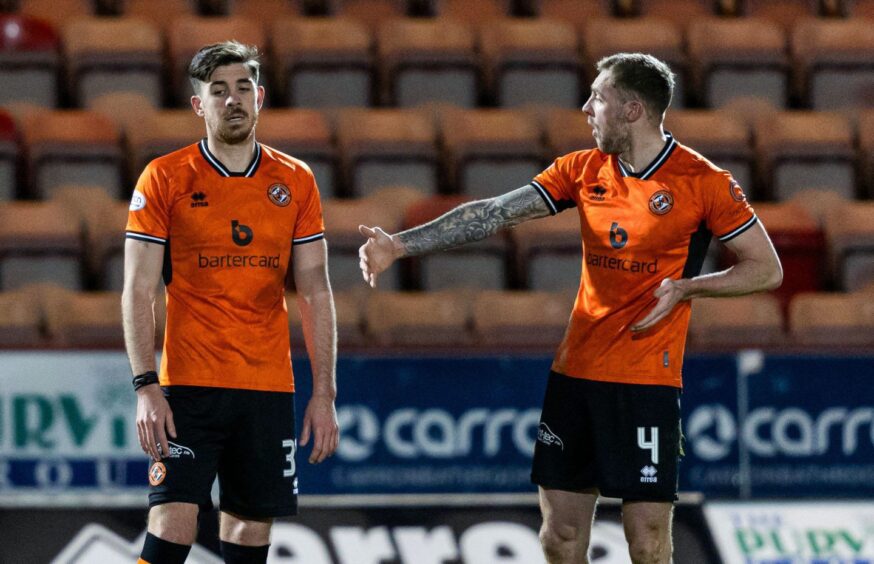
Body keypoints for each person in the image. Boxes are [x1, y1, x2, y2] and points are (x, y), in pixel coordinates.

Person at [358, 52, 782, 564]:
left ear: (631, 110)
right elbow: (493, 214)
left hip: (646, 380)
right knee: (559, 536)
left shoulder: (704, 181)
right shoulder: (582, 170)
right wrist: (399, 246)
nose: (585, 107)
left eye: (598, 98)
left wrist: (690, 288)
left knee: (647, 542)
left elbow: (766, 268)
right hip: (575, 374)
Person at [122, 41, 339, 564]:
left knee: (248, 532)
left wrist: (324, 392)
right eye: (218, 91)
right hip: (188, 386)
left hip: (265, 387)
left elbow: (315, 289)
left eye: (244, 88)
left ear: (260, 97)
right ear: (199, 105)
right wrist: (145, 385)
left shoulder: (296, 180)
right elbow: (137, 287)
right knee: (172, 519)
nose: (233, 100)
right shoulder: (164, 177)